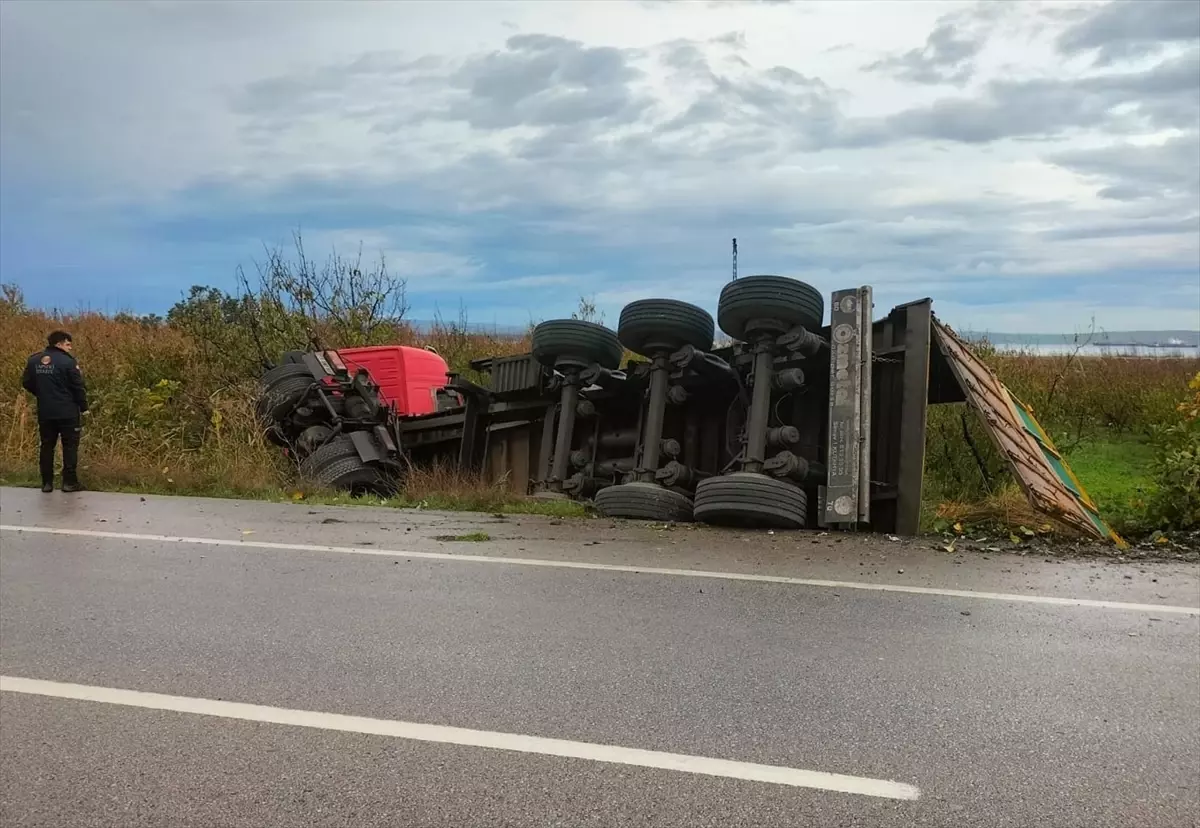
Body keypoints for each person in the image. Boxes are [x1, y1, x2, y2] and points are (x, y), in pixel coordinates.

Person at [21, 330, 88, 493]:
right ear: (59, 344)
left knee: (46, 446)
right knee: (69, 446)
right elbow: (78, 386)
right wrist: (84, 407)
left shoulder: (34, 360)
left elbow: (26, 382)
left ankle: (47, 483)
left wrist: (42, 394)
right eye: (68, 344)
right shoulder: (68, 362)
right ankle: (69, 482)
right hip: (67, 411)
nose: (70, 348)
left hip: (45, 411)